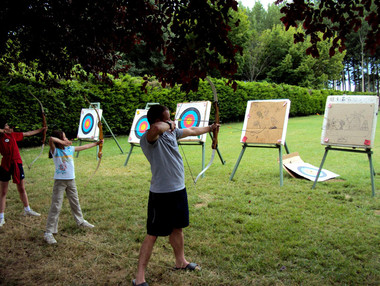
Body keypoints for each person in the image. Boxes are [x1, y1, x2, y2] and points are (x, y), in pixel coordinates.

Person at [133, 104, 219, 286]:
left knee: (178, 228)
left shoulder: (172, 132)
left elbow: (192, 130)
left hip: (178, 189)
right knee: (153, 234)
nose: (171, 121)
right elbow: (156, 128)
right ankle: (139, 277)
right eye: (167, 118)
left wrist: (210, 128)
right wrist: (170, 125)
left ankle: (181, 262)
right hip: (160, 194)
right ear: (158, 120)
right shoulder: (148, 138)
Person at [43, 130, 103, 244]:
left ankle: (80, 221)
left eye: (66, 138)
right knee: (56, 205)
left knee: (75, 201)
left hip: (71, 180)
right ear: (59, 140)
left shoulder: (70, 149)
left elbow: (84, 147)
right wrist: (63, 142)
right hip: (60, 182)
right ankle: (49, 232)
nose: (66, 140)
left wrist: (97, 143)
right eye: (64, 138)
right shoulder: (55, 150)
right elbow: (51, 139)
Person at [0, 120, 47, 227]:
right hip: (5, 165)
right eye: (7, 126)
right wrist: (3, 131)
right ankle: (1, 217)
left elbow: (27, 133)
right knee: (3, 192)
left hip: (17, 163)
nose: (9, 127)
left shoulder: (13, 135)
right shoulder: (1, 138)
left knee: (21, 188)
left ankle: (27, 209)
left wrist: (41, 130)